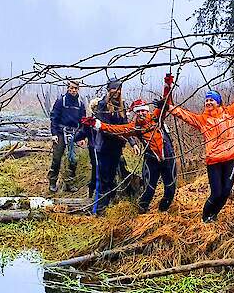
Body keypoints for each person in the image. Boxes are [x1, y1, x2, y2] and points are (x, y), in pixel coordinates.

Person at [170, 79, 234, 222]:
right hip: (213, 162)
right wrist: (168, 107)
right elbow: (184, 115)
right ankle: (205, 218)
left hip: (230, 159)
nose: (208, 102)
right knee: (216, 193)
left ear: (218, 102)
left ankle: (214, 215)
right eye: (206, 100)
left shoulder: (230, 113)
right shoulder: (202, 120)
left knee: (226, 192)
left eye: (212, 99)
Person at [83, 99, 177, 213]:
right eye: (138, 112)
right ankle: (140, 215)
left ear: (147, 111)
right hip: (151, 161)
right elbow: (117, 129)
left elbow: (165, 100)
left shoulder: (156, 117)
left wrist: (168, 82)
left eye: (143, 111)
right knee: (149, 189)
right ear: (135, 113)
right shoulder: (135, 127)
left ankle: (163, 213)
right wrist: (98, 124)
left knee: (170, 189)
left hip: (168, 159)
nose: (141, 113)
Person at [91, 78, 128, 214]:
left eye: (118, 90)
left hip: (116, 148)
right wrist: (120, 134)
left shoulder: (122, 105)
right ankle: (99, 210)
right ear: (108, 90)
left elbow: (126, 125)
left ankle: (107, 207)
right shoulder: (102, 105)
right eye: (114, 89)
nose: (116, 92)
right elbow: (104, 127)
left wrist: (132, 142)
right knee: (103, 179)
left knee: (111, 178)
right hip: (104, 147)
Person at [48, 80, 85, 193]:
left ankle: (69, 183)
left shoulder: (80, 104)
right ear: (68, 88)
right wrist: (54, 134)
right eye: (72, 88)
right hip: (60, 133)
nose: (74, 90)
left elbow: (83, 122)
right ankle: (53, 182)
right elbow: (54, 118)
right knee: (57, 159)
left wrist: (82, 137)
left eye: (76, 88)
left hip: (74, 134)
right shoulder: (61, 101)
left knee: (73, 160)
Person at [73, 97, 101, 198]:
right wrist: (78, 139)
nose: (97, 110)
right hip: (94, 149)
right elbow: (79, 135)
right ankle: (92, 193)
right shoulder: (90, 122)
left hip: (104, 149)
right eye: (95, 108)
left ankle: (98, 193)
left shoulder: (107, 120)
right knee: (96, 171)